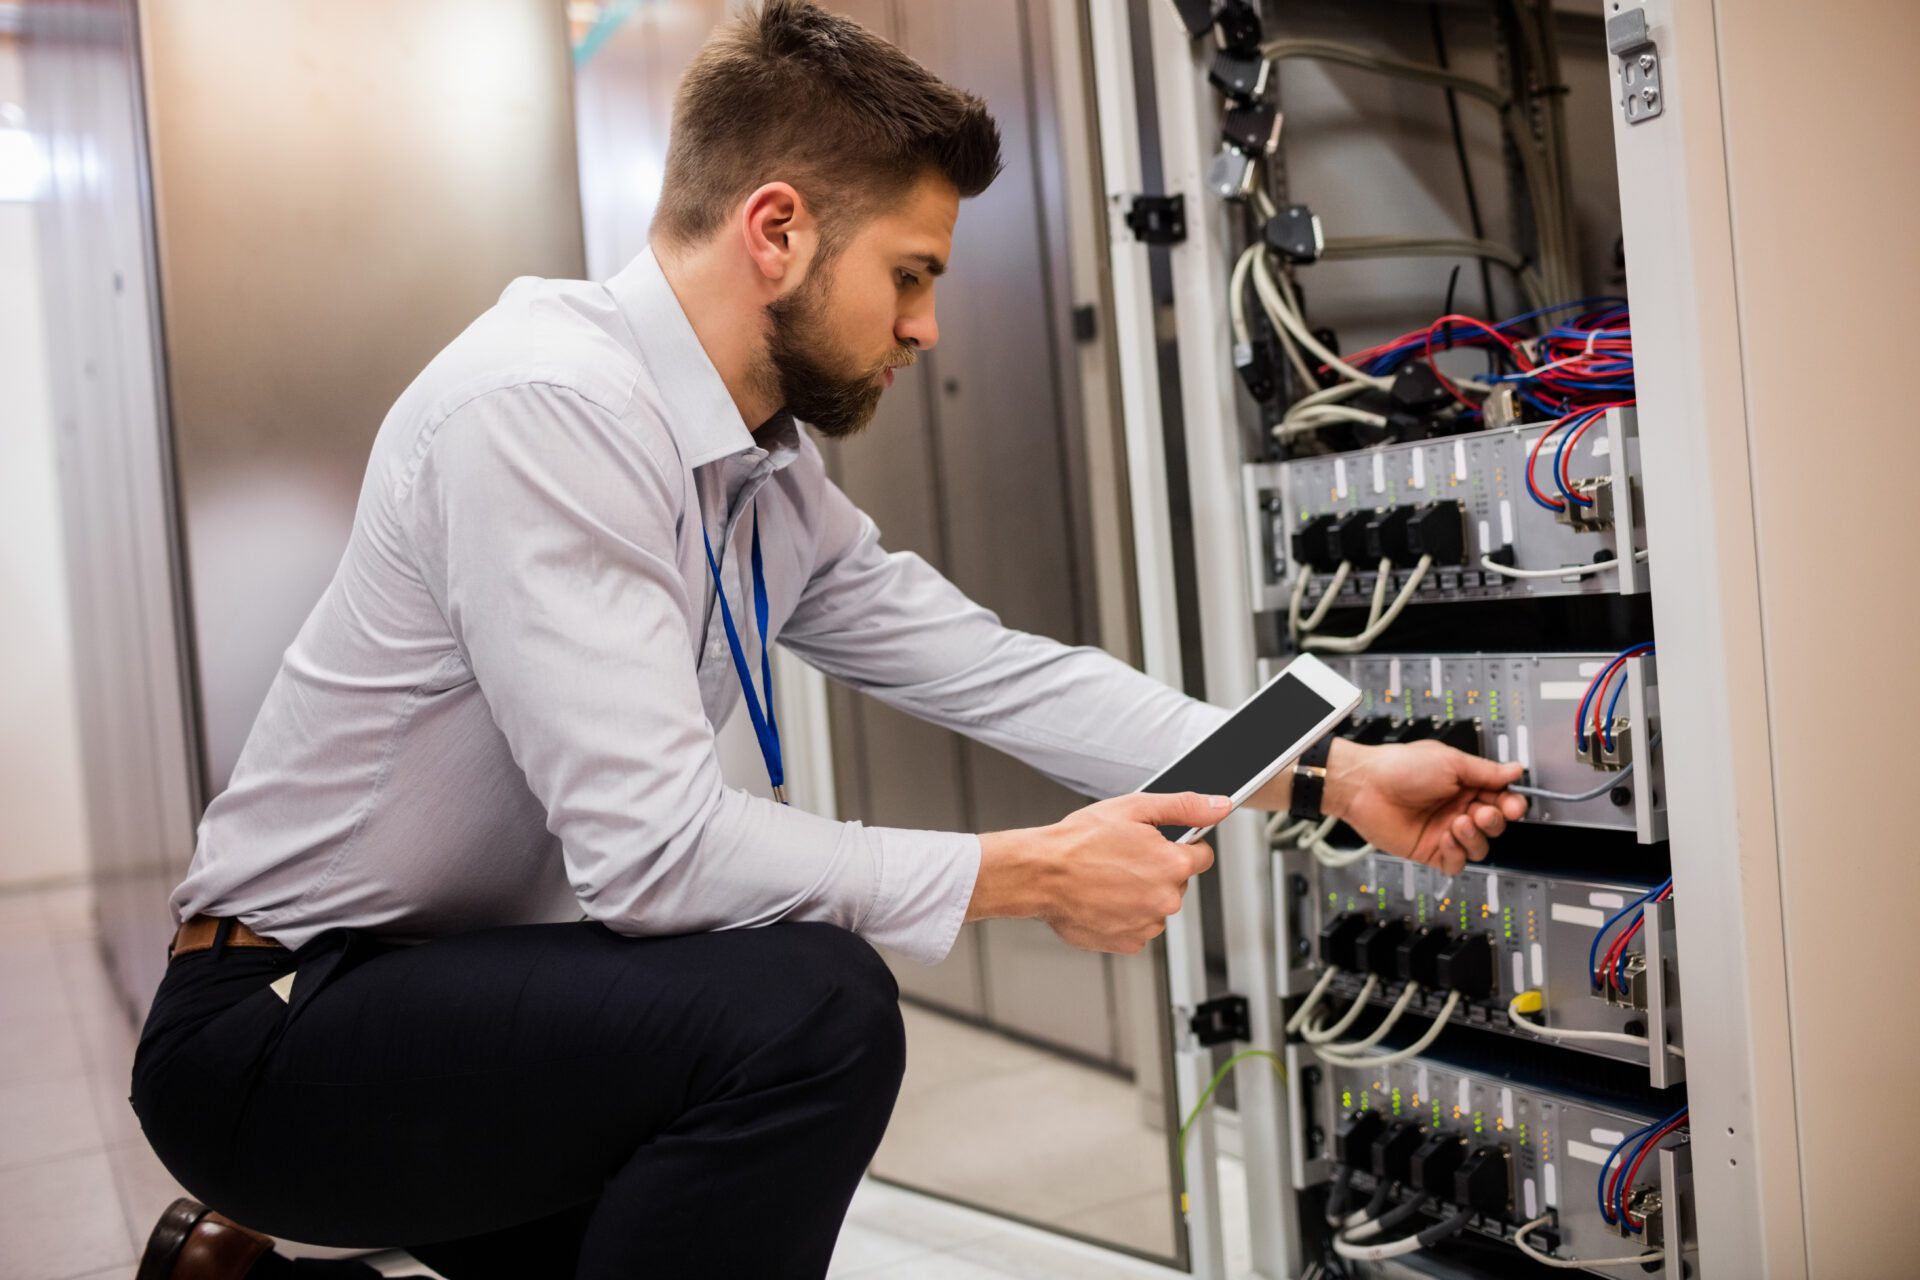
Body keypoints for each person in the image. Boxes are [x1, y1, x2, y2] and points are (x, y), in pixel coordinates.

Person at [129, 3, 1529, 1277]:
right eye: (910, 274)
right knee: (809, 1009)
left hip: (459, 995)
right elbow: (652, 853)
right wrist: (1024, 874)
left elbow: (993, 669)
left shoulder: (758, 469)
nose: (927, 327)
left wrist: (1332, 773)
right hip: (279, 1023)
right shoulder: (546, 408)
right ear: (778, 230)